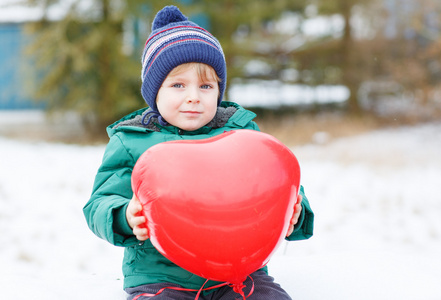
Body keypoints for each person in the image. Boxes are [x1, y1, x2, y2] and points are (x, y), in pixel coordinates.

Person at [83, 5, 314, 300]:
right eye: (178, 85)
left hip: (238, 274)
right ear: (155, 92)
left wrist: (296, 211)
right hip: (161, 277)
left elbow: (276, 186)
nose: (193, 96)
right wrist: (124, 216)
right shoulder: (132, 142)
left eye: (205, 86)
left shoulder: (242, 136)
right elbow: (98, 204)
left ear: (219, 91)